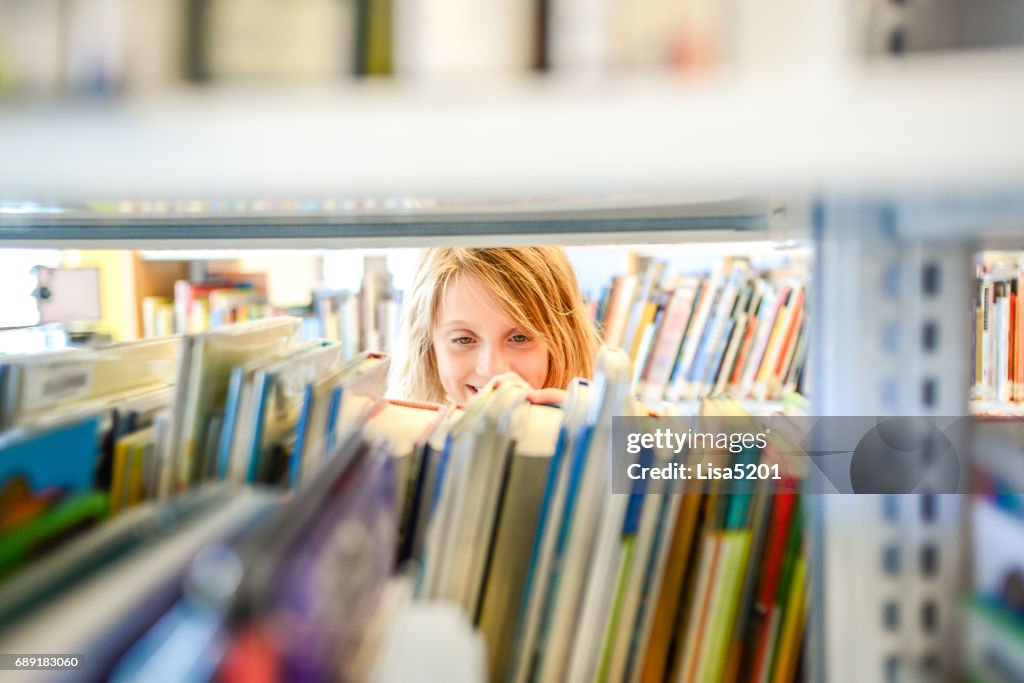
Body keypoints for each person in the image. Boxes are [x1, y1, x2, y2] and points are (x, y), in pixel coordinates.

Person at [388, 246, 600, 405]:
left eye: (519, 338)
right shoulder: (400, 443)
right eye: (463, 339)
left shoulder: (608, 432)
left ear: (562, 342)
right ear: (429, 347)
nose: (492, 370)